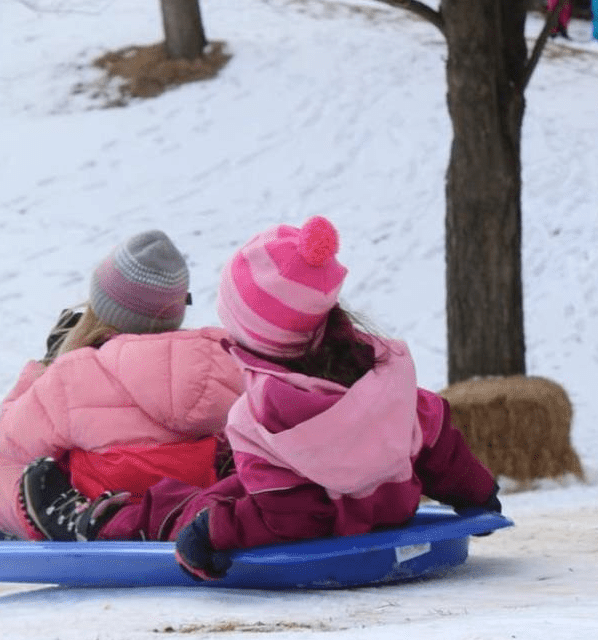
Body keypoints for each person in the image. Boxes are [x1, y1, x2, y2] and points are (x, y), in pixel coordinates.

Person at [47, 215, 502, 580]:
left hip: (327, 518)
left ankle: (105, 523)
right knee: (222, 492)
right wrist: (478, 494)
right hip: (379, 509)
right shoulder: (382, 374)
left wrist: (213, 534)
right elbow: (436, 440)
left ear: (251, 334)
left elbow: (291, 514)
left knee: (190, 507)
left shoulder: (268, 415)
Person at [0, 230, 243, 541]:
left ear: (100, 307)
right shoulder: (222, 360)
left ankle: (66, 519)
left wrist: (43, 368)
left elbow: (13, 441)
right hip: (192, 500)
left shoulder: (73, 372)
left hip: (102, 509)